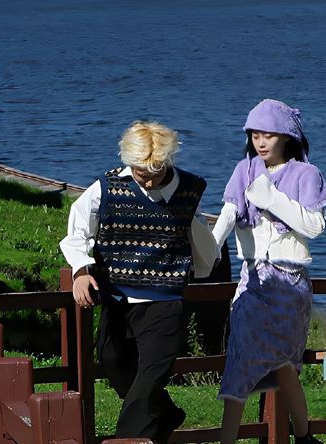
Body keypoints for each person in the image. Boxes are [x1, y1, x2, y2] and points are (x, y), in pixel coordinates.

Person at [60, 120, 219, 444]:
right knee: (114, 365)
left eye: (154, 172)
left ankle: (125, 441)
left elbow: (202, 238)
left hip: (165, 303)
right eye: (139, 171)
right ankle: (168, 414)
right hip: (116, 299)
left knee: (147, 386)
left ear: (168, 160)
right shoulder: (105, 188)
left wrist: (202, 265)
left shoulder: (189, 190)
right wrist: (81, 271)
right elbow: (76, 232)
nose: (146, 179)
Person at [212, 99, 326, 444]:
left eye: (268, 135)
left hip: (290, 285)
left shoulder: (306, 174)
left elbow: (314, 226)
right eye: (255, 135)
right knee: (239, 360)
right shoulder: (245, 170)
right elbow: (229, 212)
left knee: (284, 367)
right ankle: (227, 441)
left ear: (286, 136)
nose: (261, 142)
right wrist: (209, 247)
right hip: (253, 280)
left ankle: (304, 436)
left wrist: (271, 199)